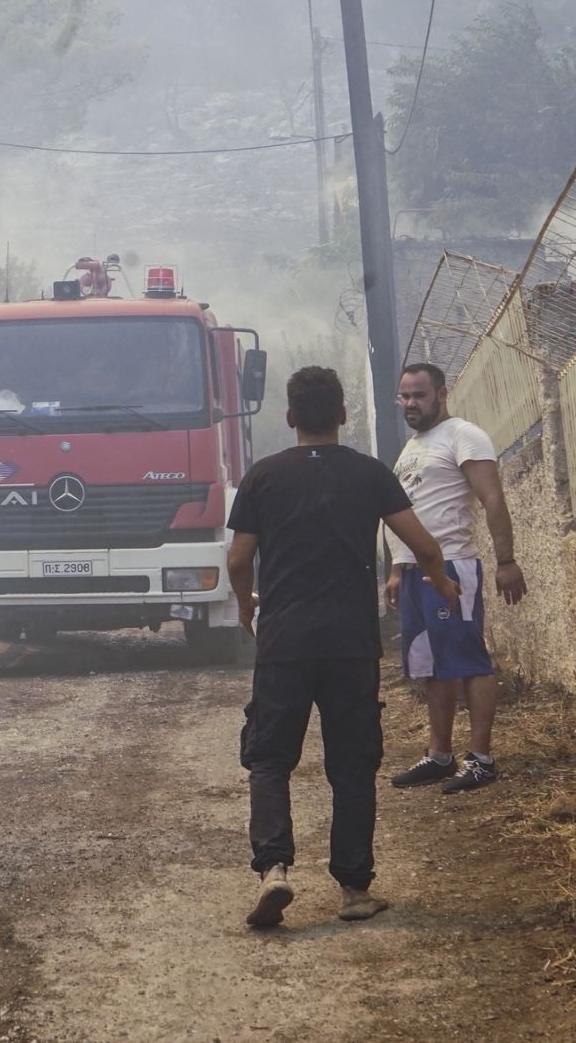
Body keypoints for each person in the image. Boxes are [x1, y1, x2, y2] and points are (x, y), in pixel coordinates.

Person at [226, 366, 459, 929]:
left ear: (289, 419)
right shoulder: (369, 474)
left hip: (283, 642)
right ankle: (355, 889)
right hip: (351, 644)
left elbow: (238, 561)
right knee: (352, 764)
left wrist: (246, 604)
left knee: (270, 759)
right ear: (343, 416)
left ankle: (274, 869)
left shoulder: (264, 477)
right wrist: (445, 584)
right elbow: (424, 546)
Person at [384, 363, 530, 794]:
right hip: (414, 573)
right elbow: (407, 510)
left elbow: (491, 497)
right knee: (432, 666)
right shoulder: (412, 447)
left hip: (450, 567)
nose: (410, 404)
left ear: (442, 394)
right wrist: (396, 569)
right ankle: (440, 756)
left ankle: (482, 760)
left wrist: (507, 560)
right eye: (404, 396)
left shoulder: (464, 434)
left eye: (419, 396)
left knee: (469, 661)